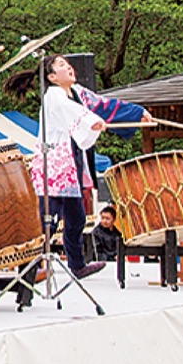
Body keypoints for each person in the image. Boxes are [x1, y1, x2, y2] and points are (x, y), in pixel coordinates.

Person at [31, 54, 151, 280]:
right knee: (47, 218)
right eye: (61, 65)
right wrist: (90, 122)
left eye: (68, 64)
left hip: (73, 163)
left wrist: (138, 112)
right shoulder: (53, 95)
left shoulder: (80, 94)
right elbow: (71, 112)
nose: (69, 68)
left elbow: (105, 106)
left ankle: (77, 265)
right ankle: (30, 265)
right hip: (54, 163)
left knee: (76, 217)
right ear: (52, 77)